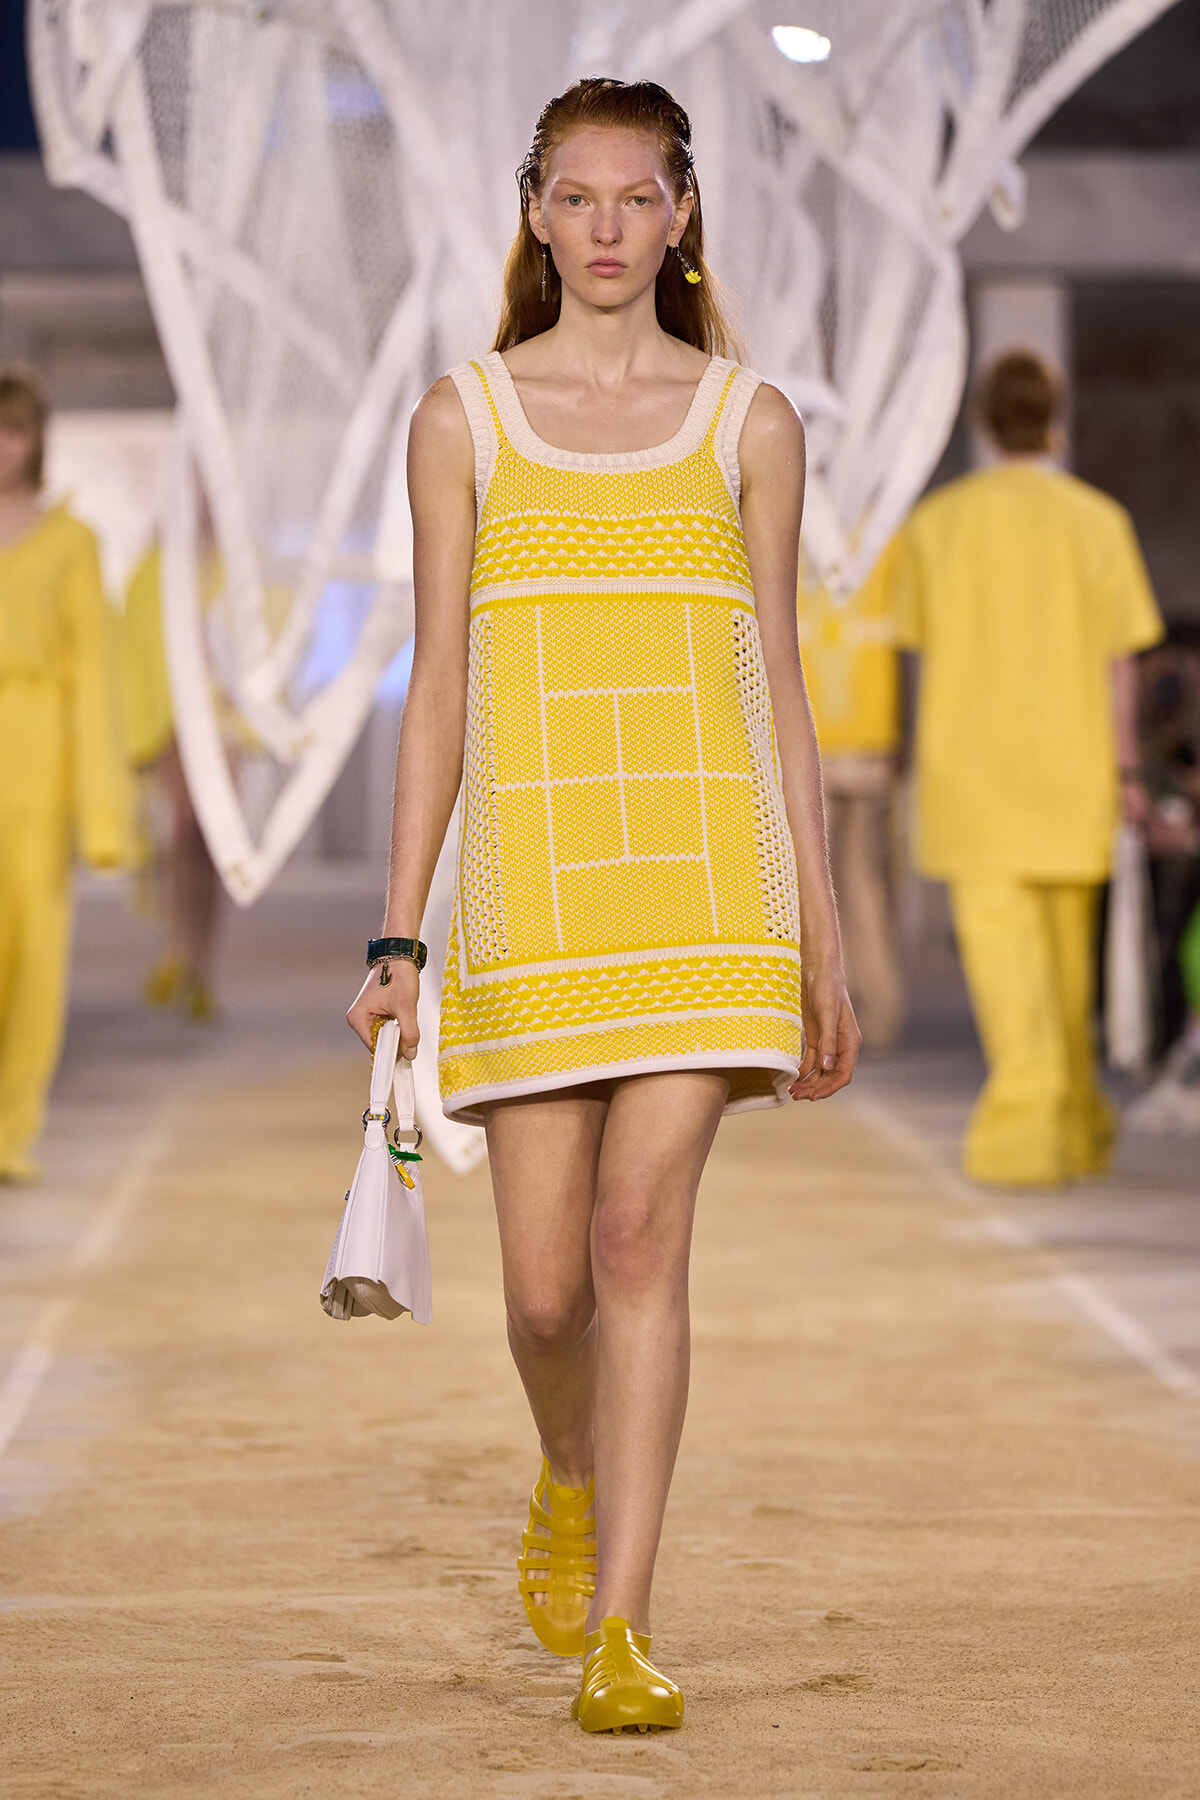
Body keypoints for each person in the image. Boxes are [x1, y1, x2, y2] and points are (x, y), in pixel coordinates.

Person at [348, 79, 859, 1734]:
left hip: (714, 889)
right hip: (531, 894)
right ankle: (567, 1467)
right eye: (580, 198)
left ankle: (628, 1624)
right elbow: (441, 688)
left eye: (641, 197)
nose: (612, 228)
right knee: (547, 1292)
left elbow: (778, 683)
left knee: (644, 1239)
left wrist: (824, 940)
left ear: (684, 211)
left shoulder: (750, 422)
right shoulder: (464, 420)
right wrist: (397, 933)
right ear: (537, 213)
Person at [892, 349, 1163, 1187]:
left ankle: (1024, 1142)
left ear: (979, 419)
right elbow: (1123, 665)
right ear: (1056, 416)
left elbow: (916, 655)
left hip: (972, 777)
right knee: (1068, 974)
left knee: (1013, 982)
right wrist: (1126, 770)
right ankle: (1078, 1129)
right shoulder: (1097, 521)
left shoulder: (937, 526)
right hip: (1073, 771)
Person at [0, 366, 131, 1181]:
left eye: (14, 430)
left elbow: (94, 676)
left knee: (34, 944)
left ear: (37, 439)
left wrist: (105, 817)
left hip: (37, 752)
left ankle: (11, 1126)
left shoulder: (70, 541)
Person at [797, 542, 904, 1047]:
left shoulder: (783, 524)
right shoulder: (883, 538)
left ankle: (811, 1016)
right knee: (864, 882)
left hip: (801, 738)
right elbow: (904, 644)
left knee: (803, 884)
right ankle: (877, 1012)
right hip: (869, 733)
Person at [121, 542, 222, 1021]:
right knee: (183, 830)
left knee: (215, 842)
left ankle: (201, 960)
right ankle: (179, 947)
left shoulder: (239, 559)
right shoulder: (155, 567)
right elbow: (135, 650)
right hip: (175, 717)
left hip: (226, 717)